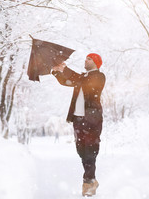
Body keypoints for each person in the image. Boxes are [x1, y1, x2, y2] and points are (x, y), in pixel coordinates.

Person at [52, 53, 105, 197]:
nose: (85, 60)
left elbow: (84, 82)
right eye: (86, 58)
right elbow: (68, 82)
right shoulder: (82, 78)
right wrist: (56, 72)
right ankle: (91, 180)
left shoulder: (98, 77)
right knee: (81, 150)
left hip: (92, 119)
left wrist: (65, 68)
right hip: (78, 119)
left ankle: (88, 183)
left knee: (91, 150)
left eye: (89, 59)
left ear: (95, 62)